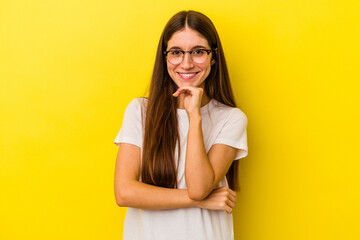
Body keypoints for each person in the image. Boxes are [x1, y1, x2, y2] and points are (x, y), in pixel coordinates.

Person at [114, 10, 248, 240]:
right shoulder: (140, 111)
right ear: (165, 57)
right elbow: (124, 192)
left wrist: (194, 115)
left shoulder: (231, 118)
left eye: (198, 52)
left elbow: (199, 186)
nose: (186, 64)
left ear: (213, 57)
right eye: (176, 52)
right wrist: (203, 200)